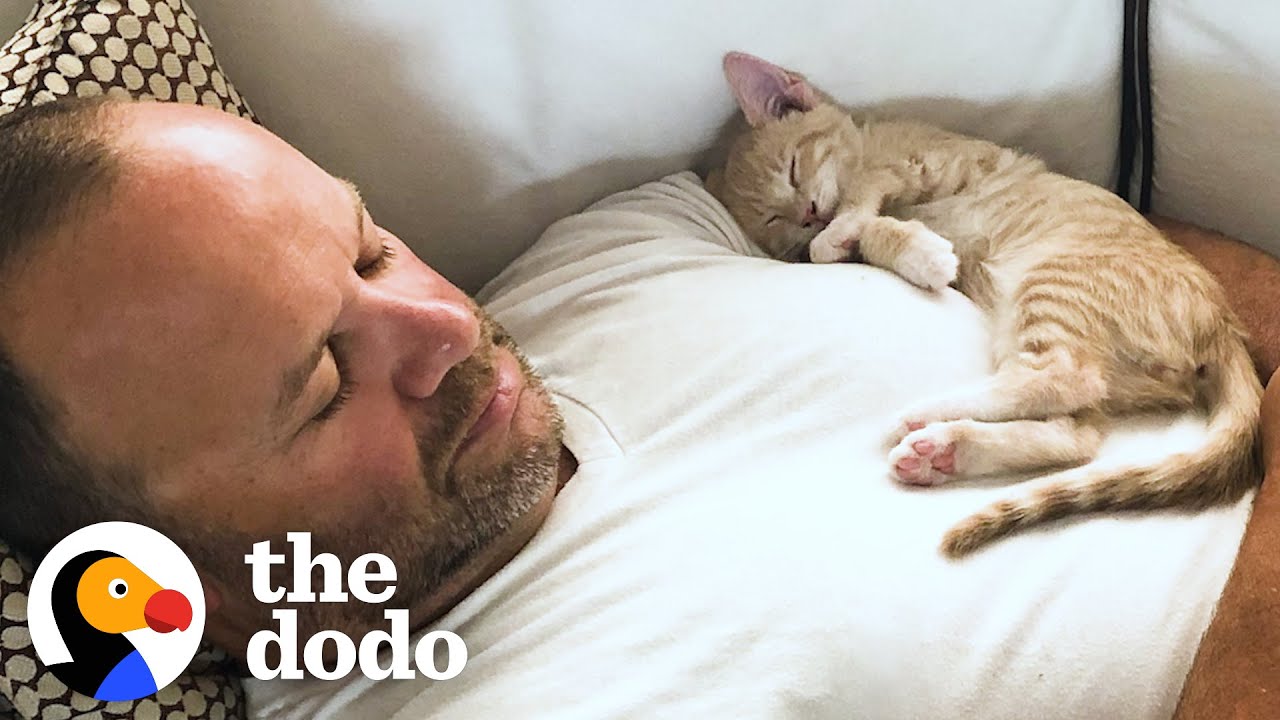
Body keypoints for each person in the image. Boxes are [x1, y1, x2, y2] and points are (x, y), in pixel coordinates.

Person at [0, 98, 1273, 719]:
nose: (451, 329)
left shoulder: (608, 248)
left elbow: (1066, 231)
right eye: (325, 384)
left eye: (370, 245)